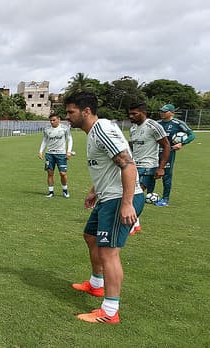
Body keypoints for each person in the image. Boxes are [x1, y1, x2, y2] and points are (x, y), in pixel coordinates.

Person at [64, 92, 144, 324]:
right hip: (108, 196)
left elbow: (128, 165)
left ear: (86, 111)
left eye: (71, 112)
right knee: (90, 236)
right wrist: (94, 190)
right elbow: (108, 166)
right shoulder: (94, 133)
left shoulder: (102, 131)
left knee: (109, 252)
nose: (67, 116)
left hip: (119, 198)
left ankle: (110, 311)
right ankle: (96, 284)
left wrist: (127, 203)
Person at [127, 102, 171, 234]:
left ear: (144, 113)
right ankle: (136, 224)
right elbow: (132, 145)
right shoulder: (133, 128)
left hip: (148, 166)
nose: (131, 116)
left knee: (135, 194)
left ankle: (131, 225)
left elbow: (166, 146)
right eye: (130, 114)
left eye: (134, 113)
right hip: (134, 166)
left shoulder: (153, 126)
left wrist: (161, 168)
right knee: (131, 193)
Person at [155, 103, 196, 206]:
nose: (162, 113)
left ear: (172, 113)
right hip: (153, 152)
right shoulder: (156, 123)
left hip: (168, 152)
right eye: (161, 111)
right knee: (151, 173)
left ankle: (165, 199)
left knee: (166, 175)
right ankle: (149, 195)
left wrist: (182, 143)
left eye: (165, 111)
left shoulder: (178, 123)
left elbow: (191, 135)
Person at [38, 113, 73, 198]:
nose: (52, 122)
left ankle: (65, 190)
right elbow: (45, 140)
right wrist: (40, 151)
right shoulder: (46, 129)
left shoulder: (65, 128)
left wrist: (68, 151)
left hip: (61, 154)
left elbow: (70, 139)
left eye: (54, 120)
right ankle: (51, 192)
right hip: (49, 154)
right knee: (50, 173)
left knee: (63, 173)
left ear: (59, 119)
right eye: (51, 120)